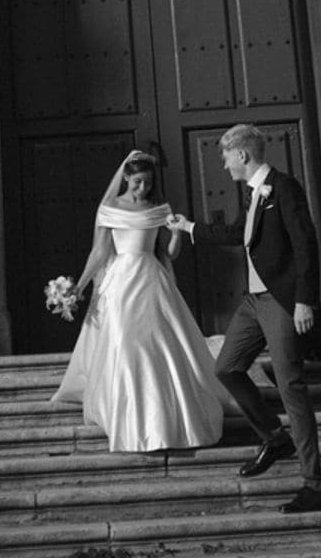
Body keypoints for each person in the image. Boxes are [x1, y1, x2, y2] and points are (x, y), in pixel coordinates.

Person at [168, 123, 321, 514]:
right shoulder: (254, 196)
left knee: (291, 387)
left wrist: (305, 301)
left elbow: (306, 246)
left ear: (241, 155)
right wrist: (189, 227)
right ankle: (275, 437)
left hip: (279, 302)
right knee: (226, 367)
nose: (224, 166)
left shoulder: (284, 188)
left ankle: (315, 485)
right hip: (252, 304)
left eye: (226, 157)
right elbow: (239, 233)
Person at [51, 150, 225, 453]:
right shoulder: (109, 208)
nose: (142, 188)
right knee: (124, 344)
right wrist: (78, 287)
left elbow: (168, 254)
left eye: (147, 183)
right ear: (126, 178)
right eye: (137, 182)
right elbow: (100, 252)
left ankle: (164, 422)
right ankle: (129, 421)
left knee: (157, 345)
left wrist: (177, 235)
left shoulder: (159, 209)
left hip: (151, 281)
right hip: (119, 284)